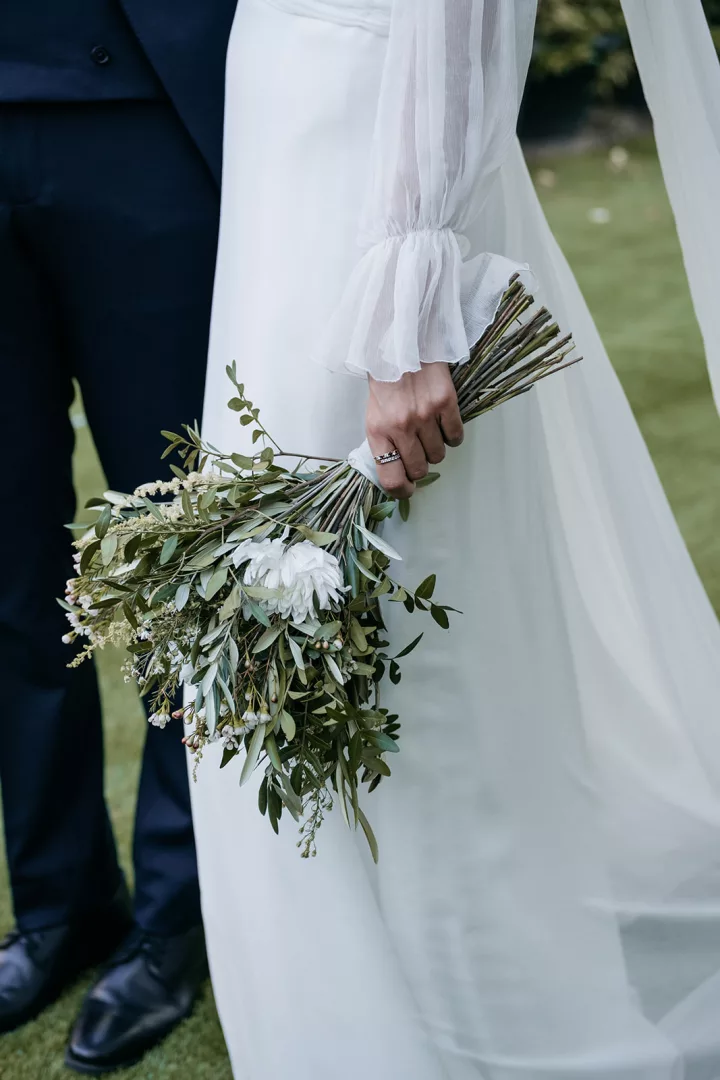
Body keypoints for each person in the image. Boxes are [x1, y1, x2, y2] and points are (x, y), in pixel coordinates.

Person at [191, 0, 720, 1077]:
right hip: (297, 133)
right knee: (294, 602)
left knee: (398, 624)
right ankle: (369, 993)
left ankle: (471, 1011)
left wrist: (406, 308)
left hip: (361, 164)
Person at [0, 1, 236, 1073]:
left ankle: (178, 911)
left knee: (180, 545)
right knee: (5, 566)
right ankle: (61, 901)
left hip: (143, 109)